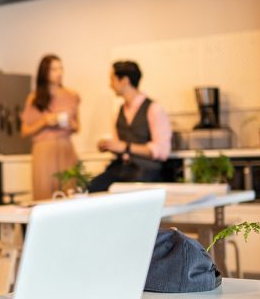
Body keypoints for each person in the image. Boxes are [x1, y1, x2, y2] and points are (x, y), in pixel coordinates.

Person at [87, 60, 173, 191]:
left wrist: (125, 147)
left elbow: (162, 151)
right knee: (91, 188)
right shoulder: (118, 111)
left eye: (112, 79)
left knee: (128, 192)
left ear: (124, 80)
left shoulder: (154, 109)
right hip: (122, 168)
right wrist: (109, 145)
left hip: (146, 171)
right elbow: (119, 146)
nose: (110, 85)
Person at [20, 54, 81, 200]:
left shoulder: (72, 95)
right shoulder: (34, 98)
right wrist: (45, 121)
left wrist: (70, 124)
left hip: (66, 149)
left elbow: (78, 127)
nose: (59, 73)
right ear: (44, 72)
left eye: (61, 68)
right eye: (54, 69)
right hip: (43, 151)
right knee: (44, 194)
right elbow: (25, 131)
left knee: (69, 192)